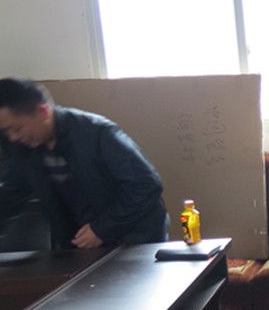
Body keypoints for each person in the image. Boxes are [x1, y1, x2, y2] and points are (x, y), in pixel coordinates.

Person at [0, 78, 167, 248]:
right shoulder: (23, 148)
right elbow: (11, 194)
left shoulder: (96, 133)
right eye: (7, 132)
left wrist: (103, 229)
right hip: (81, 246)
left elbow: (146, 185)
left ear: (42, 111)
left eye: (17, 129)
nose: (13, 137)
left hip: (135, 240)